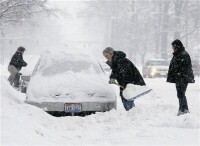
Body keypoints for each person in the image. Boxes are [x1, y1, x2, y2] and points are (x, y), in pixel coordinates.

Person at [103, 47, 146, 111]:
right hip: (124, 83)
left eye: (107, 55)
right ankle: (132, 111)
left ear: (111, 53)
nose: (106, 57)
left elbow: (126, 73)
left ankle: (131, 111)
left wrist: (125, 85)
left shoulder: (122, 60)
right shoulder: (115, 60)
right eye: (105, 56)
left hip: (130, 83)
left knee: (127, 98)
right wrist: (112, 77)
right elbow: (115, 71)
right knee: (125, 98)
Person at [167, 39, 195, 116]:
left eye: (173, 47)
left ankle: (184, 110)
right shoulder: (179, 54)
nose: (172, 48)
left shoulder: (183, 54)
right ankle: (182, 109)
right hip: (180, 77)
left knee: (181, 94)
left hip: (182, 78)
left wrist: (179, 74)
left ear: (177, 46)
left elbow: (184, 67)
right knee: (180, 94)